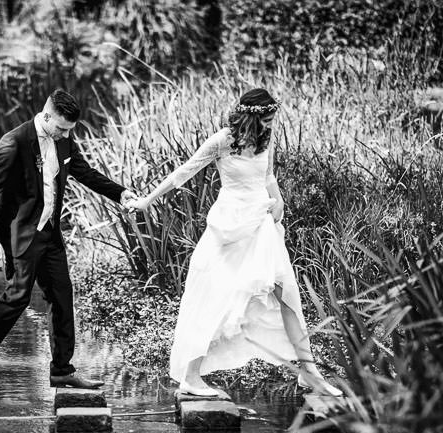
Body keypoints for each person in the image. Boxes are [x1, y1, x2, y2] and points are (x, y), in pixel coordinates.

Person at [126, 88, 343, 398]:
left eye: (272, 119)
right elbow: (185, 170)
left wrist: (278, 200)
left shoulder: (267, 139)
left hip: (262, 226)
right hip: (230, 226)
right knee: (218, 296)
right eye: (266, 119)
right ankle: (191, 376)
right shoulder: (223, 140)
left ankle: (310, 373)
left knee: (288, 296)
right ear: (250, 116)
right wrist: (147, 200)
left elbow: (268, 176)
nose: (270, 125)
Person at [0, 89, 137, 394]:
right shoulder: (15, 142)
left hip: (49, 235)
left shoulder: (63, 138)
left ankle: (62, 372)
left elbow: (83, 171)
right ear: (47, 115)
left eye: (69, 130)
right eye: (62, 128)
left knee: (63, 297)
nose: (65, 134)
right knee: (17, 298)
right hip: (21, 235)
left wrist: (119, 192)